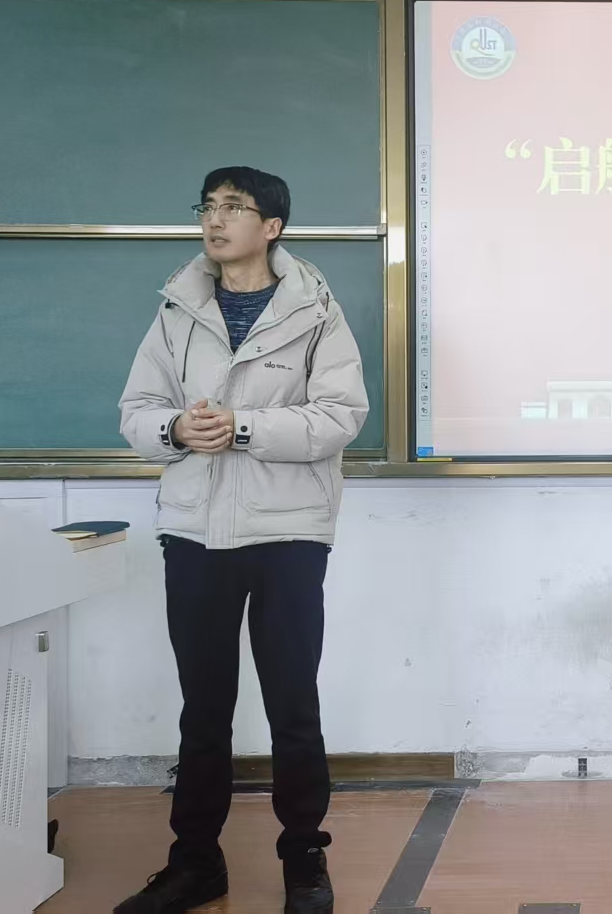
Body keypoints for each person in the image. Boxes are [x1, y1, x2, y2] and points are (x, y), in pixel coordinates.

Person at [115, 167, 367, 914]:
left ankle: (304, 861)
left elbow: (341, 416)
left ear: (272, 227)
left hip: (288, 530)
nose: (214, 221)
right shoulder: (176, 310)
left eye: (233, 207)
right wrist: (174, 428)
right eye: (207, 207)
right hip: (195, 531)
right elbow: (136, 411)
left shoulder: (316, 311)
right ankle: (196, 863)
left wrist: (244, 427)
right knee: (203, 710)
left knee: (293, 705)